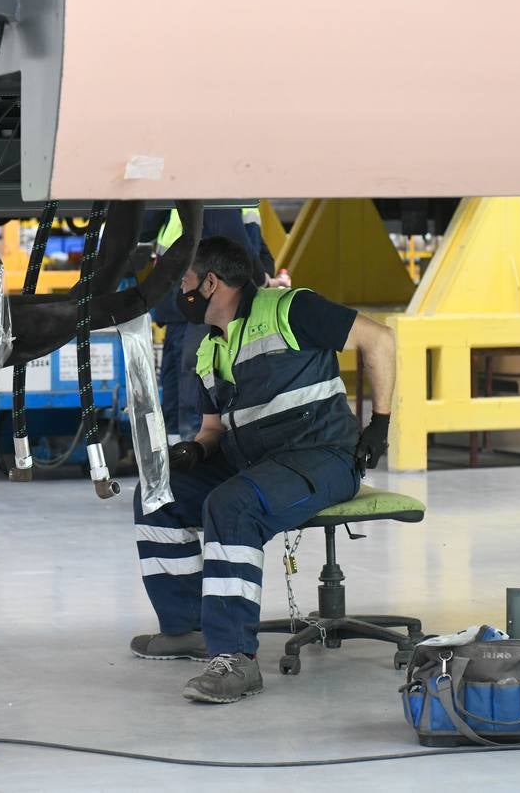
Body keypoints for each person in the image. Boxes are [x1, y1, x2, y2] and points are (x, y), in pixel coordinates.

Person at [129, 236, 396, 703]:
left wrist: (380, 425)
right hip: (256, 461)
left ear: (210, 284)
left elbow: (380, 339)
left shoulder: (289, 309)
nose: (179, 292)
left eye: (184, 281)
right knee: (159, 492)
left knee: (232, 506)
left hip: (323, 455)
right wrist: (191, 452)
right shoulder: (209, 349)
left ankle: (236, 659)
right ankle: (185, 627)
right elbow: (213, 429)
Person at [143, 207, 283, 443]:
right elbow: (239, 245)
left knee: (179, 375)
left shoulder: (186, 193)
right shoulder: (222, 193)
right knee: (195, 372)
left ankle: (177, 446)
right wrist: (264, 280)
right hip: (200, 298)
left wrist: (266, 275)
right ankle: (189, 444)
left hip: (179, 297)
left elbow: (253, 245)